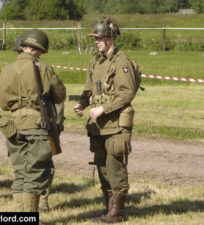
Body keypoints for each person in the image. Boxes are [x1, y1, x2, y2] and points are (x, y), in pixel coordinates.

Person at [74, 16, 138, 223]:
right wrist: (82, 104)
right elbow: (87, 89)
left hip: (117, 124)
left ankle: (117, 212)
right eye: (95, 38)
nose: (97, 41)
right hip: (99, 126)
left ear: (110, 38)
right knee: (102, 168)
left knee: (115, 167)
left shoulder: (122, 61)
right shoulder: (94, 61)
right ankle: (108, 209)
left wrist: (104, 108)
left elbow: (127, 93)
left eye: (100, 38)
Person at [0, 29, 66, 212]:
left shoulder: (7, 69)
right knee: (35, 175)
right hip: (37, 125)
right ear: (37, 49)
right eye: (42, 52)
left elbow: (3, 103)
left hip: (14, 127)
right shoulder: (43, 68)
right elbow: (60, 95)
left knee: (20, 173)